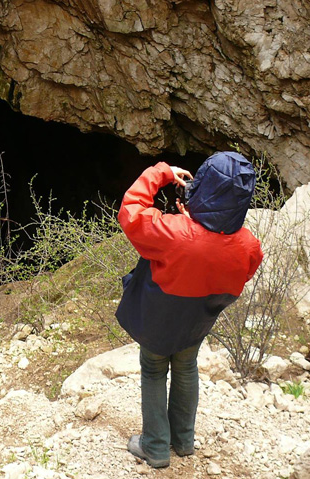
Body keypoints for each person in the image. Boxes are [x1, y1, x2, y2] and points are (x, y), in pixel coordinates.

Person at [115, 152, 263, 468]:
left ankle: (154, 446)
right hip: (197, 321)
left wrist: (161, 172)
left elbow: (130, 211)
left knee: (154, 370)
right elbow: (243, 272)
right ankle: (182, 441)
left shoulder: (172, 232)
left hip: (158, 319)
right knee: (187, 366)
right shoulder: (248, 244)